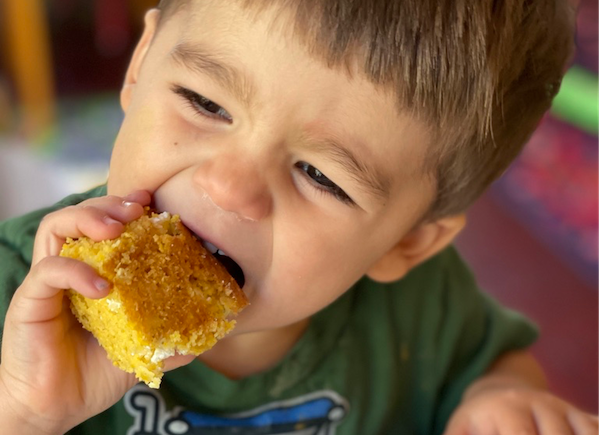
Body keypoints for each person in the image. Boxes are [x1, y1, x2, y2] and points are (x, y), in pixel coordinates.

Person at [0, 0, 596, 434]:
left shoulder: (423, 308)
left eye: (321, 176)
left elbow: (487, 361)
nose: (229, 187)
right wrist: (25, 415)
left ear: (406, 244)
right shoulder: (20, 302)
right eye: (205, 102)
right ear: (140, 65)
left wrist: (503, 398)